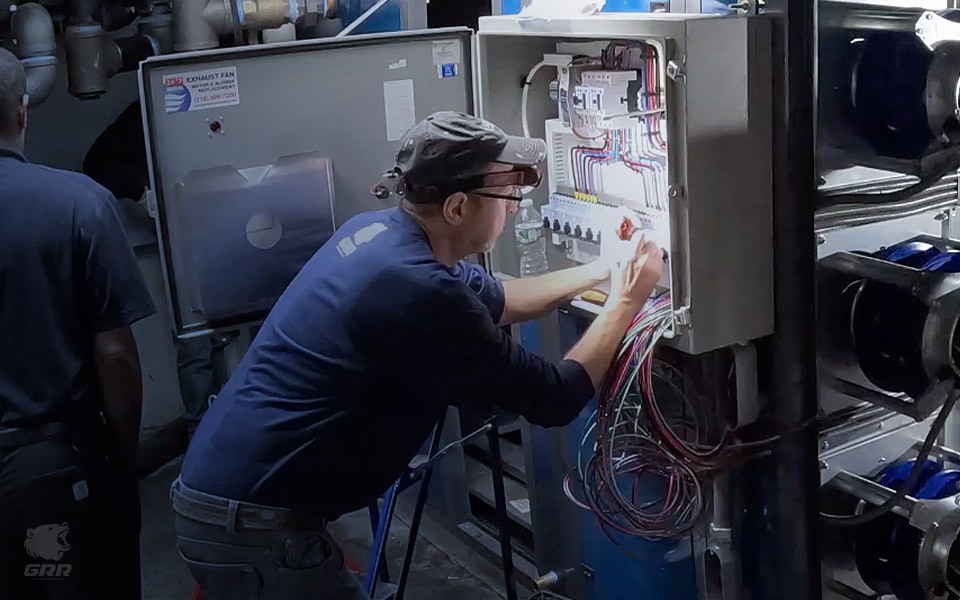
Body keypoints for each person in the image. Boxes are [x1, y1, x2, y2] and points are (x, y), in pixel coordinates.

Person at [171, 111, 663, 600]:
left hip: (229, 503)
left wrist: (605, 267)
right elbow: (556, 398)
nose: (514, 207)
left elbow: (504, 299)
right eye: (505, 194)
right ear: (456, 208)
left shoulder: (382, 236)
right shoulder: (418, 289)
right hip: (249, 527)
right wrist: (626, 302)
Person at [0, 48, 155, 599]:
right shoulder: (77, 203)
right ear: (23, 110)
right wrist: (123, 452)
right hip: (51, 469)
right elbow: (115, 354)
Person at [82, 100, 221, 438]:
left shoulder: (234, 95)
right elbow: (97, 163)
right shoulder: (160, 101)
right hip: (185, 229)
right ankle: (201, 434)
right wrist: (143, 195)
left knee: (227, 336)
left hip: (236, 224)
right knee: (197, 340)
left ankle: (219, 431)